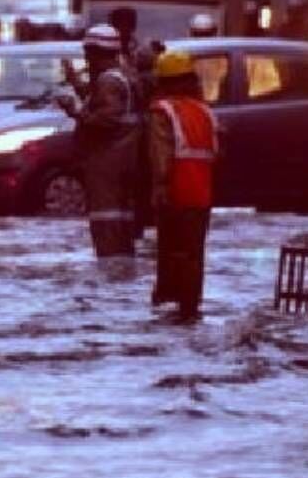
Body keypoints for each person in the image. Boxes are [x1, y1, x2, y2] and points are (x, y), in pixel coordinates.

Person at [57, 25, 141, 258]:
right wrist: (75, 82)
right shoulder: (122, 76)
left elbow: (106, 119)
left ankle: (110, 270)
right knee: (121, 220)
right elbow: (103, 103)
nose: (86, 58)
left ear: (98, 52)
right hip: (122, 160)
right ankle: (120, 267)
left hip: (108, 164)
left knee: (107, 220)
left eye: (88, 52)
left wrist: (74, 111)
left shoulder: (109, 81)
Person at [147, 51, 218, 321]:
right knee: (193, 253)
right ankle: (190, 307)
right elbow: (217, 154)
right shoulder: (204, 112)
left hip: (175, 191)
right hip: (201, 192)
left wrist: (160, 188)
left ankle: (172, 306)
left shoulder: (162, 111)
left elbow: (160, 156)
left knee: (171, 250)